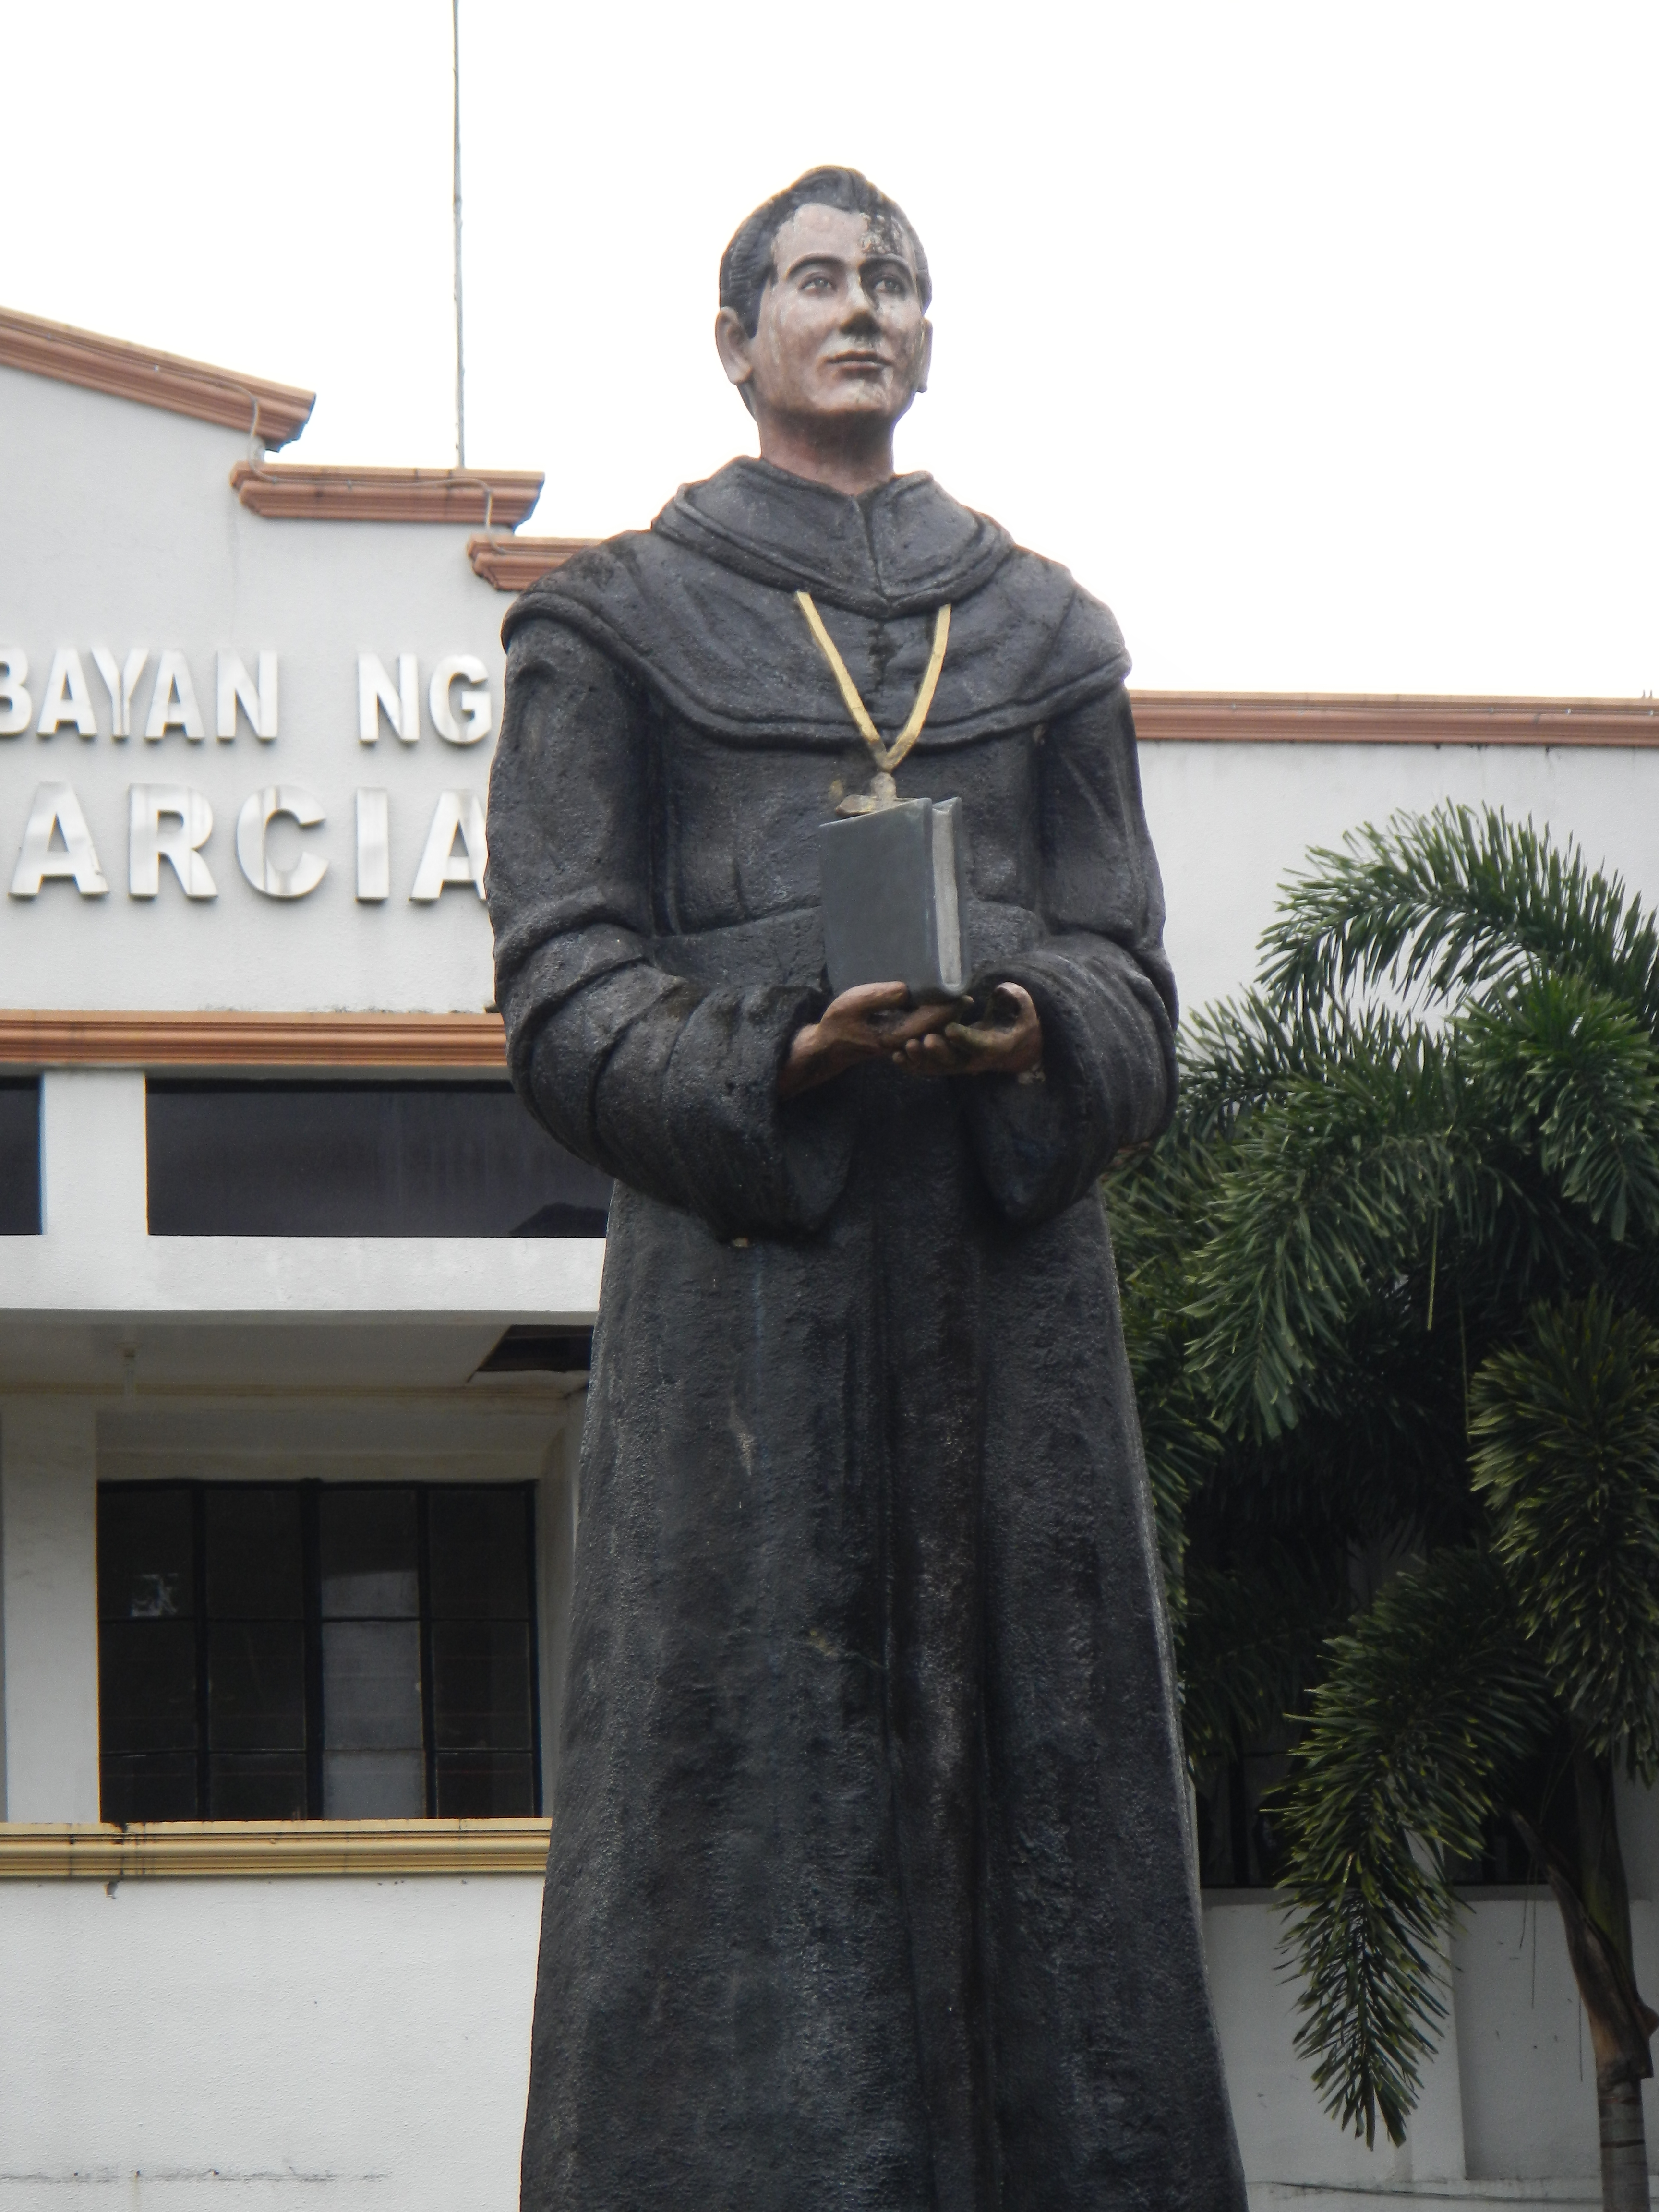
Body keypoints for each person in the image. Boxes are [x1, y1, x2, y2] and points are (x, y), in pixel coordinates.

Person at [487, 165, 1246, 2212]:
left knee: (1058, 1833)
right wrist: (770, 1052)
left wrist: (1033, 1028)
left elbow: (1138, 985)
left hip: (1016, 1332)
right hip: (751, 1319)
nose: (863, 310)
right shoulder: (614, 627)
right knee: (742, 1840)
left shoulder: (1046, 629)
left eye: (893, 279)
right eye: (816, 281)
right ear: (735, 340)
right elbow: (557, 992)